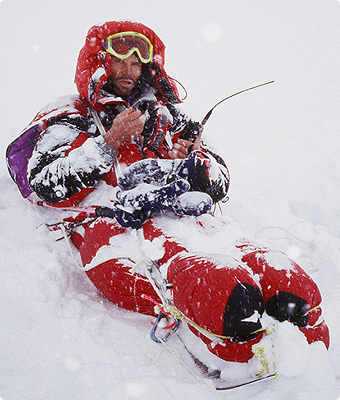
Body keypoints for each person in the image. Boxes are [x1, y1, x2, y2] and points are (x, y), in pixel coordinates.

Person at [6, 20, 329, 365]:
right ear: (100, 61)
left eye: (136, 62)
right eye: (119, 60)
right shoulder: (71, 115)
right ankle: (235, 333)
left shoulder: (169, 117)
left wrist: (192, 161)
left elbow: (220, 181)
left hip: (188, 214)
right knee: (218, 288)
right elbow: (44, 183)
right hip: (116, 224)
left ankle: (297, 341)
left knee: (284, 282)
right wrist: (108, 143)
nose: (128, 69)